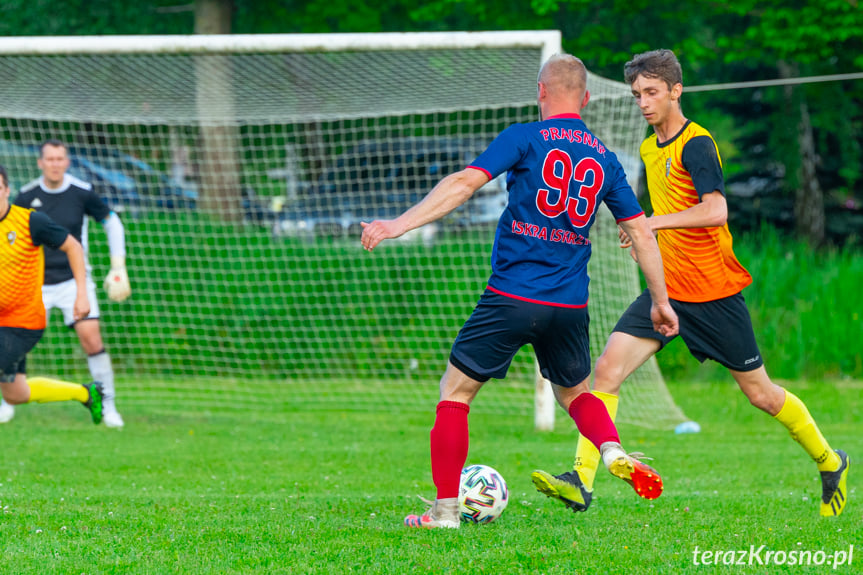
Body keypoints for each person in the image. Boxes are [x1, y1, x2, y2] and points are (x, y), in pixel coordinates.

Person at [361, 53, 680, 529]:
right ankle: (611, 448)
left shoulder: (524, 137)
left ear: (541, 93)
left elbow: (464, 184)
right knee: (576, 394)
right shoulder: (604, 157)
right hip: (569, 304)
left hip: (512, 295)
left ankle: (445, 512)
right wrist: (660, 301)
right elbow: (641, 233)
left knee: (456, 392)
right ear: (587, 99)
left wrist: (398, 224)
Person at [532, 49, 849, 517]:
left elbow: (716, 210)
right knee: (606, 372)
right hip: (667, 293)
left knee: (761, 394)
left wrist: (654, 223)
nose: (643, 102)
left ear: (676, 91)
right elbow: (650, 219)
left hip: (714, 295)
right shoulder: (646, 147)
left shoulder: (696, 143)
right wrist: (638, 228)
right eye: (638, 94)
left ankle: (829, 462)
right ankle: (580, 481)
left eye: (652, 93)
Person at [3, 139, 131, 428]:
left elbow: (110, 222)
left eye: (60, 159)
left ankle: (108, 405)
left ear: (67, 162)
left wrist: (117, 265)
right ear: (40, 163)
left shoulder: (81, 193)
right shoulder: (26, 195)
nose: (55, 164)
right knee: (13, 373)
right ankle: (10, 401)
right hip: (30, 286)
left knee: (92, 339)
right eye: (50, 159)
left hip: (72, 280)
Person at [0, 162, 104, 423]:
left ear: (7, 190)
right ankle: (85, 393)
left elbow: (74, 247)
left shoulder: (30, 221)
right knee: (15, 394)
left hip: (23, 323)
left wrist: (82, 294)